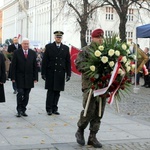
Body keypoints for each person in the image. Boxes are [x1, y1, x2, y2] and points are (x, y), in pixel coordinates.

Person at [75, 29, 106, 148]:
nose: (100, 39)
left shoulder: (106, 52)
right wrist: (92, 68)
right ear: (92, 38)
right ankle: (80, 129)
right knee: (89, 110)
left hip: (103, 86)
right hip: (90, 85)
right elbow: (78, 64)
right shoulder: (85, 50)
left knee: (99, 112)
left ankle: (93, 136)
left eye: (101, 38)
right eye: (98, 37)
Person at [41, 31, 71, 116]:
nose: (58, 38)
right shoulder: (49, 47)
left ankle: (55, 108)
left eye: (60, 37)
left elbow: (68, 62)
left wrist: (68, 73)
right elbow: (45, 61)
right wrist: (43, 73)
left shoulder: (65, 48)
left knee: (57, 92)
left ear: (61, 38)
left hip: (60, 73)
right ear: (54, 38)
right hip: (51, 72)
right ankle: (49, 108)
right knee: (50, 91)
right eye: (57, 37)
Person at [11, 38, 38, 117]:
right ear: (21, 44)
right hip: (19, 77)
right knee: (20, 93)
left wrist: (35, 77)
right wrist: (13, 77)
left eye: (27, 44)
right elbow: (13, 66)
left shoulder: (33, 53)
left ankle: (23, 109)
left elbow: (35, 66)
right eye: (24, 43)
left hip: (29, 78)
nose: (26, 45)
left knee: (26, 94)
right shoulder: (16, 53)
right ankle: (19, 110)